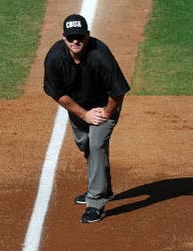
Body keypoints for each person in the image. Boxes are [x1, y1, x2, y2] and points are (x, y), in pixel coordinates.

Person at [43, 14, 131, 224]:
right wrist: (83, 114)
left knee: (97, 143)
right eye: (71, 37)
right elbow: (56, 92)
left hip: (104, 105)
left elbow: (118, 92)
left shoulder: (100, 55)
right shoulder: (55, 58)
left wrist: (106, 113)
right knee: (85, 144)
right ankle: (104, 188)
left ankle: (96, 201)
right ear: (63, 37)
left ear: (88, 36)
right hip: (79, 107)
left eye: (80, 36)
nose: (76, 41)